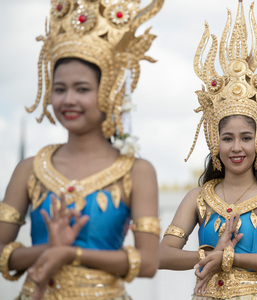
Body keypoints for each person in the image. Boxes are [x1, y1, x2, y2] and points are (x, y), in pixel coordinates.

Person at [0, 1, 164, 299]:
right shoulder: (30, 168)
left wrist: (70, 253)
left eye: (82, 89)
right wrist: (48, 250)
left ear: (109, 92)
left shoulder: (137, 171)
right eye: (60, 89)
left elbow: (149, 262)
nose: (68, 100)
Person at [159, 1, 257, 299]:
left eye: (246, 138)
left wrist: (230, 258)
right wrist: (207, 255)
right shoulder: (198, 198)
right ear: (216, 142)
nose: (236, 147)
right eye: (227, 138)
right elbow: (162, 255)